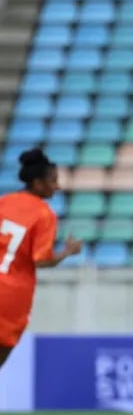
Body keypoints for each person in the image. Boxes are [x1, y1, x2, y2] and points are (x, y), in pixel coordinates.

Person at [0, 147, 82, 370]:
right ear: (38, 183)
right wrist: (67, 252)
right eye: (53, 181)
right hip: (10, 297)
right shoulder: (44, 214)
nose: (57, 187)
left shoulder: (4, 202)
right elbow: (41, 260)